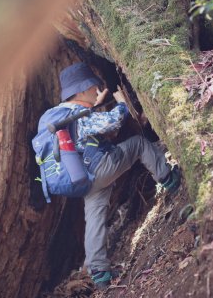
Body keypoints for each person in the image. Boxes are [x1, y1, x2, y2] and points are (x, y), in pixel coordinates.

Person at [57, 62, 181, 289]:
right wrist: (123, 105)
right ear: (81, 90)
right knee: (139, 144)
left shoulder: (62, 118)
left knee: (94, 217)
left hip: (85, 179)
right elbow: (111, 122)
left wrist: (98, 103)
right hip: (102, 166)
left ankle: (100, 273)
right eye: (92, 87)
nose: (96, 91)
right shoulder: (77, 114)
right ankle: (169, 179)